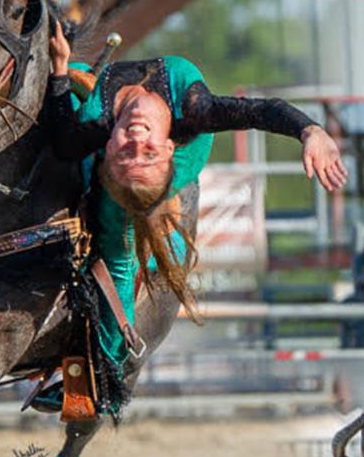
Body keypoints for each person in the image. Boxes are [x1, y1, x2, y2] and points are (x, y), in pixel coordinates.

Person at [45, 26, 347, 386]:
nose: (138, 138)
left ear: (109, 147)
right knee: (130, 209)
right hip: (173, 162)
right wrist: (309, 130)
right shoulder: (195, 110)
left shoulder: (101, 125)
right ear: (166, 146)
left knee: (117, 243)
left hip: (155, 172)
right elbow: (262, 111)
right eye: (142, 148)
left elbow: (65, 142)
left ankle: (105, 377)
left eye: (131, 148)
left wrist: (61, 69)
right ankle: (113, 369)